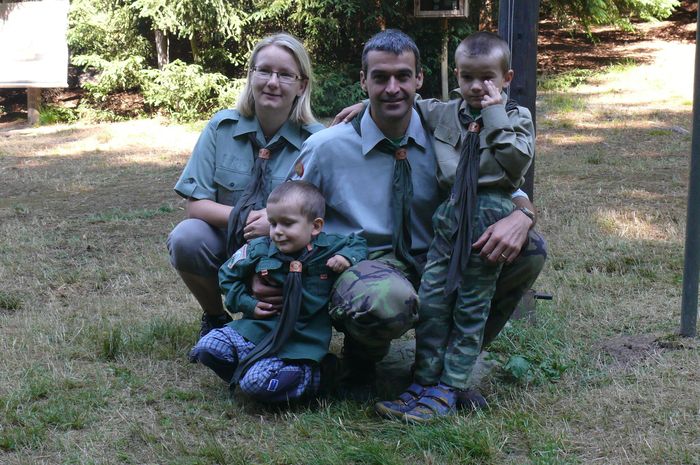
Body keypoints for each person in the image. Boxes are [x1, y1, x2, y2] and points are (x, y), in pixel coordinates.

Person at [289, 29, 546, 401]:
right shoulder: (327, 147)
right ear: (363, 80)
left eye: (403, 77)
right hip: (365, 262)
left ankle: (449, 368)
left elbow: (506, 187)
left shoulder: (444, 129)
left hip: (436, 255)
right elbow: (289, 208)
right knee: (386, 299)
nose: (392, 88)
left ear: (419, 79)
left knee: (529, 249)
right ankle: (361, 361)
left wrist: (522, 218)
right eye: (380, 78)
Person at [374, 31, 535, 422]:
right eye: (467, 77)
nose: (477, 87)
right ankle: (423, 380)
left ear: (506, 78)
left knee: (470, 306)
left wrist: (494, 115)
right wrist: (363, 105)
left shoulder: (517, 117)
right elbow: (402, 100)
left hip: (489, 218)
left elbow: (517, 164)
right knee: (432, 301)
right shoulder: (445, 113)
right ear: (457, 75)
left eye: (487, 78)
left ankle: (450, 386)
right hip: (449, 218)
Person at [167, 33, 324, 338]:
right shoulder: (221, 128)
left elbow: (323, 216)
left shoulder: (316, 142)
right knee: (186, 237)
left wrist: (275, 226)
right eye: (264, 71)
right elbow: (196, 205)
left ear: (302, 85)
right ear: (251, 75)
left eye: (285, 74)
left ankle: (283, 321)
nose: (272, 82)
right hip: (229, 241)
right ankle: (215, 317)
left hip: (286, 251)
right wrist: (249, 218)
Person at [189, 181, 368, 403]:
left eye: (287, 224)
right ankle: (258, 368)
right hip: (257, 330)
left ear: (315, 226)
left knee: (255, 384)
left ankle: (320, 373)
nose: (278, 232)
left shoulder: (328, 248)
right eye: (273, 223)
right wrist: (248, 304)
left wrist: (346, 258)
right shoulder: (260, 248)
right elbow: (227, 274)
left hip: (299, 341)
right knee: (207, 348)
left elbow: (359, 243)